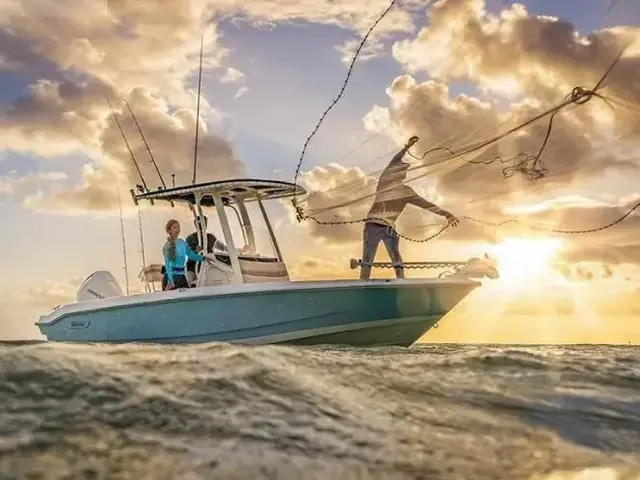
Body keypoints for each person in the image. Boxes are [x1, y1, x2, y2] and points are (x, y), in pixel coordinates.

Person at [360, 135, 459, 281]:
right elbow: (394, 161)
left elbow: (427, 205)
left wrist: (447, 214)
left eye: (403, 171)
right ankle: (364, 282)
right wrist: (406, 148)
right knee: (368, 258)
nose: (402, 172)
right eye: (400, 170)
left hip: (389, 229)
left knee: (396, 257)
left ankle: (401, 281)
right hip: (372, 227)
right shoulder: (385, 182)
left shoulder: (407, 192)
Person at [162, 219, 213, 291]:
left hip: (181, 276)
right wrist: (170, 281)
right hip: (171, 278)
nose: (178, 229)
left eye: (178, 227)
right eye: (175, 227)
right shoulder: (167, 246)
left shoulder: (182, 242)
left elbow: (192, 256)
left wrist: (204, 258)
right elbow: (168, 265)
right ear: (169, 230)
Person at [185, 216, 227, 281]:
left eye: (204, 223)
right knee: (189, 280)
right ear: (195, 225)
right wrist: (196, 251)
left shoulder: (211, 238)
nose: (202, 226)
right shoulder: (190, 238)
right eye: (199, 224)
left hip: (208, 268)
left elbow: (223, 248)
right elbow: (188, 254)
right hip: (193, 268)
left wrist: (240, 249)